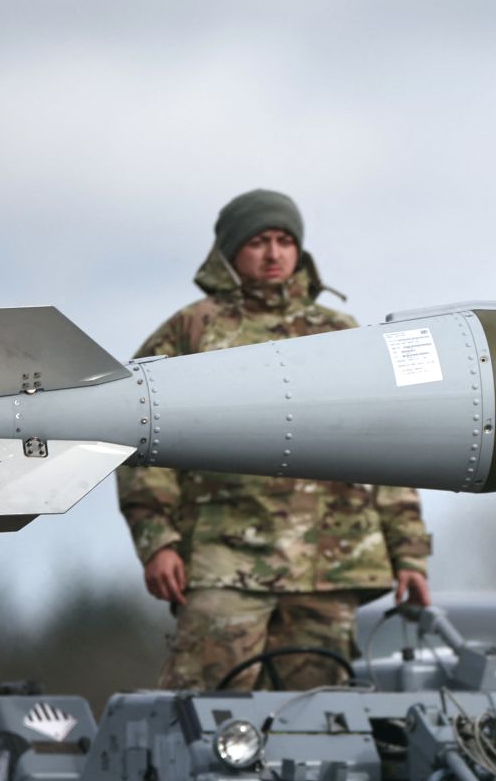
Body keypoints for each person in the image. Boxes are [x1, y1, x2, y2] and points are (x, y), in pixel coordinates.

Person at [118, 190, 432, 692]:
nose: (273, 254)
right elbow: (134, 426)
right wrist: (157, 541)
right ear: (229, 252)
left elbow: (389, 443)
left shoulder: (340, 333)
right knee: (206, 704)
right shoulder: (191, 331)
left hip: (332, 561)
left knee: (319, 719)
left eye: (285, 241)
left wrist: (410, 555)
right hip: (226, 556)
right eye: (258, 241)